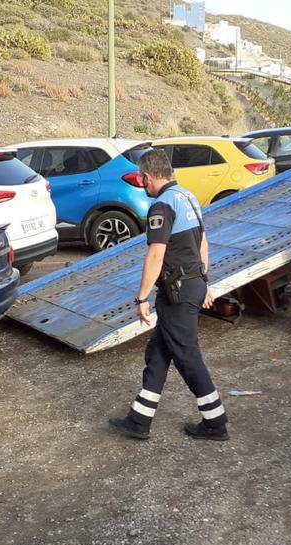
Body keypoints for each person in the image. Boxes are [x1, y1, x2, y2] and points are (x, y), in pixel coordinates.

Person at [108, 149, 229, 442]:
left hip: (177, 292)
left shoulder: (161, 207)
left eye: (141, 179)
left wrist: (141, 297)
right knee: (159, 353)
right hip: (190, 285)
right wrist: (204, 281)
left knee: (187, 355)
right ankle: (139, 420)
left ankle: (216, 422)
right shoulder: (187, 197)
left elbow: (156, 255)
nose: (142, 185)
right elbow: (203, 242)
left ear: (147, 176)